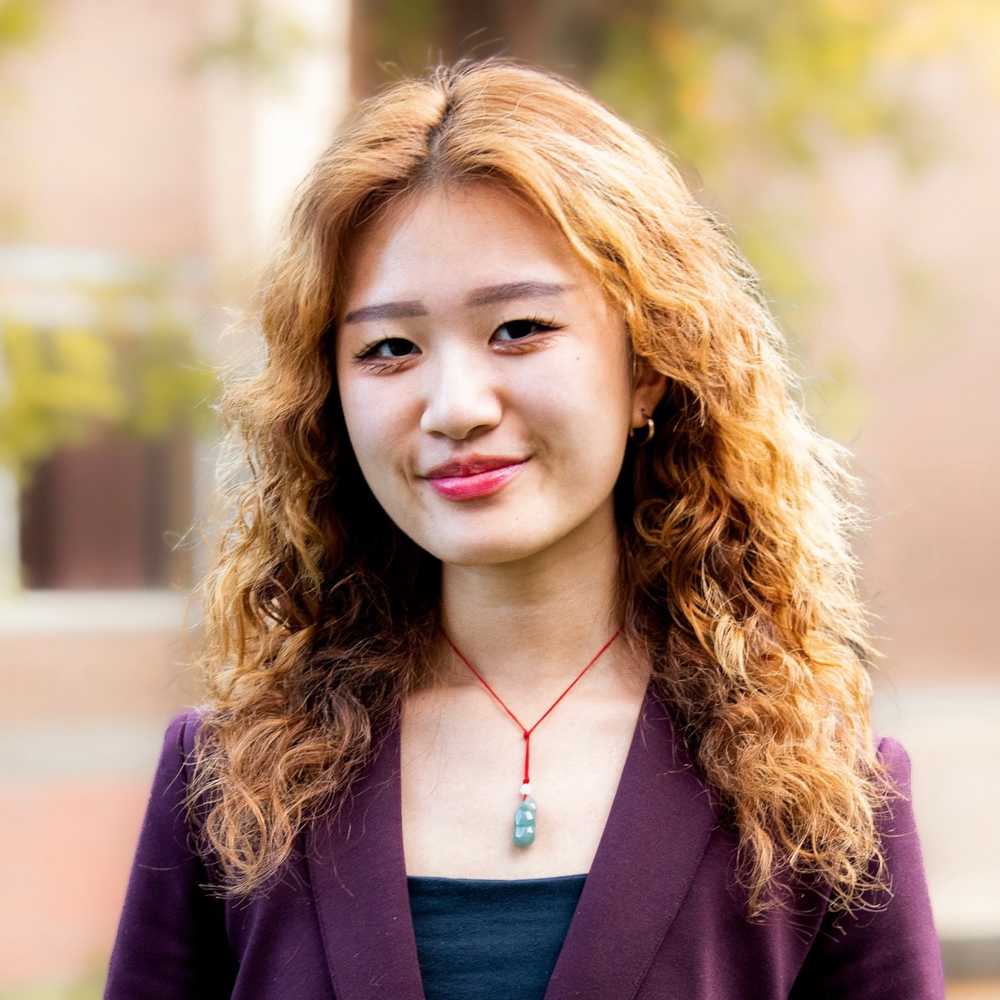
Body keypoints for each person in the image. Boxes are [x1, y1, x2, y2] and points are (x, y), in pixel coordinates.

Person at [104, 57, 945, 999]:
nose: (456, 407)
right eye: (390, 347)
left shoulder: (819, 797)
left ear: (648, 365)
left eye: (519, 329)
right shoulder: (226, 788)